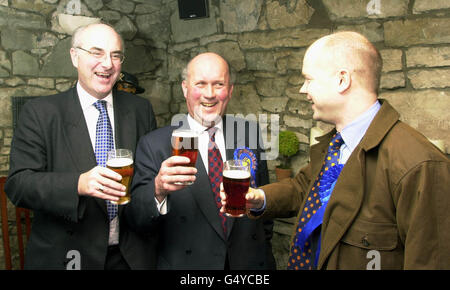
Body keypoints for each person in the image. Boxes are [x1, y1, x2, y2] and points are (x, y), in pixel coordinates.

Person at [221, 31, 450, 270]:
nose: (302, 89)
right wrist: (257, 198)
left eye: (308, 79)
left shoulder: (421, 164)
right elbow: (305, 189)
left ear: (342, 80)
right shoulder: (334, 146)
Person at [5, 23, 157, 270]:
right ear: (75, 56)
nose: (107, 63)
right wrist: (78, 184)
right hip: (67, 256)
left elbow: (147, 181)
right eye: (97, 53)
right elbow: (18, 184)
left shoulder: (140, 110)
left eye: (115, 55)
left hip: (131, 258)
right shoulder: (40, 113)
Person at [124, 52, 276, 270]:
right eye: (201, 84)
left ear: (230, 90)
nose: (209, 94)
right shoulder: (154, 144)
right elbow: (136, 220)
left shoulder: (248, 131)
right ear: (185, 88)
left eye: (218, 84)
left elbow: (264, 201)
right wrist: (158, 190)